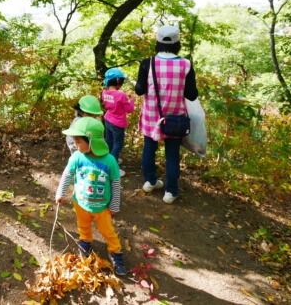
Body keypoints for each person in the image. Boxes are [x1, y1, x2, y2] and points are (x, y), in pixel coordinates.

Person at [134, 25, 199, 204]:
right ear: (177, 42)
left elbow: (139, 90)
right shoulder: (186, 64)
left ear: (157, 42)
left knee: (149, 149)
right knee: (172, 155)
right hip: (175, 118)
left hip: (151, 117)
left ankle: (150, 182)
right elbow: (192, 95)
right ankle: (170, 192)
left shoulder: (147, 63)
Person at [55, 117, 127, 275]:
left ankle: (115, 252)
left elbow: (115, 184)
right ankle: (85, 241)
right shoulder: (77, 157)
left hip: (102, 207)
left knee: (108, 231)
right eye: (75, 141)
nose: (75, 145)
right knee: (83, 226)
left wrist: (114, 205)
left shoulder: (110, 161)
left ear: (92, 141)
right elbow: (67, 175)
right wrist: (60, 193)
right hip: (80, 203)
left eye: (79, 141)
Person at [101, 68, 136, 177]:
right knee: (118, 144)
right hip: (118, 123)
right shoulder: (121, 95)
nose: (122, 83)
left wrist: (126, 99)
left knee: (109, 141)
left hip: (108, 119)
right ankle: (112, 166)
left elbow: (109, 104)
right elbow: (129, 109)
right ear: (117, 81)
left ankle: (107, 159)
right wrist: (133, 100)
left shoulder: (104, 92)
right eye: (121, 81)